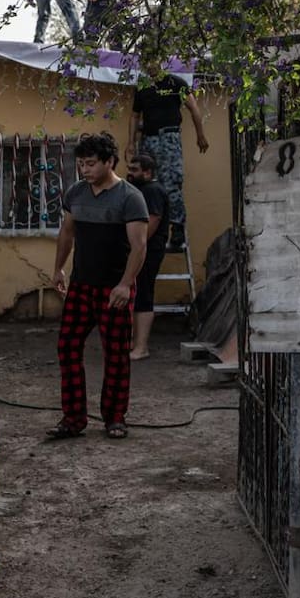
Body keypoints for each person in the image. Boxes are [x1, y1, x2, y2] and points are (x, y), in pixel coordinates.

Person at [48, 133, 148, 441]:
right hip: (81, 285)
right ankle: (73, 418)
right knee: (67, 346)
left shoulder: (130, 197)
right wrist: (58, 268)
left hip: (114, 288)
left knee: (116, 354)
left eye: (91, 164)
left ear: (109, 162)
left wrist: (125, 285)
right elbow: (67, 232)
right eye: (81, 164)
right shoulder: (76, 193)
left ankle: (115, 417)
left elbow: (139, 246)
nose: (85, 170)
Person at [125, 66, 208, 251]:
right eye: (146, 61)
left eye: (153, 59)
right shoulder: (142, 86)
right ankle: (149, 229)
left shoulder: (176, 83)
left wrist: (200, 135)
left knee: (171, 183)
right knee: (145, 183)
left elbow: (194, 108)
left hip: (168, 138)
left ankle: (177, 231)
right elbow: (134, 115)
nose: (150, 65)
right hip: (148, 139)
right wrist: (130, 142)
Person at [126, 153, 169, 361]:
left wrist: (139, 244)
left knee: (143, 293)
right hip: (140, 249)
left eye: (135, 170)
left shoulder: (153, 190)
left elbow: (153, 219)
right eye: (130, 169)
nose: (130, 173)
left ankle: (141, 347)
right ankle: (135, 344)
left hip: (148, 250)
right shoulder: (142, 190)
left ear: (148, 172)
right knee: (136, 294)